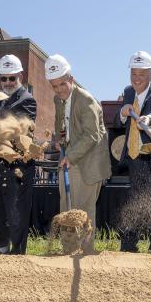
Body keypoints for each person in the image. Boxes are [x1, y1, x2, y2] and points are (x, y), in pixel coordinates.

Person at [47, 54, 111, 252]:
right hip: (69, 157)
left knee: (83, 210)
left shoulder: (86, 100)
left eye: (61, 85)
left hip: (88, 162)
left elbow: (92, 136)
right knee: (66, 206)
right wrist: (59, 140)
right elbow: (61, 125)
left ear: (71, 79)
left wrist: (71, 156)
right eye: (54, 86)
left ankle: (85, 252)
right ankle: (68, 250)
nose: (58, 90)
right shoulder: (58, 100)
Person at [116, 51, 151, 253]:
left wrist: (148, 120)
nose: (137, 79)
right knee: (135, 199)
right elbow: (118, 122)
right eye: (134, 74)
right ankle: (128, 247)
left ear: (150, 75)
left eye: (141, 75)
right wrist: (123, 114)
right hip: (134, 157)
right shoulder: (128, 92)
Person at [0, 54, 38, 254]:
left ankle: (16, 257)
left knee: (16, 216)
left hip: (18, 168)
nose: (7, 82)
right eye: (3, 78)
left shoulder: (28, 100)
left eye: (11, 78)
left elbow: (20, 129)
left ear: (20, 77)